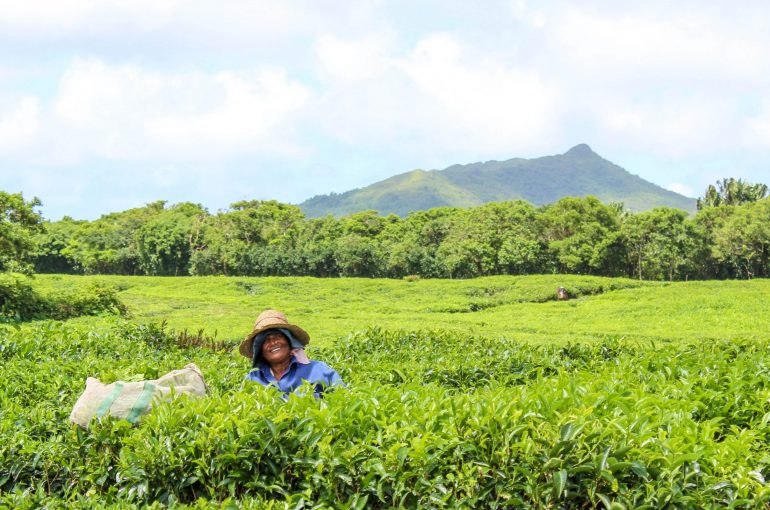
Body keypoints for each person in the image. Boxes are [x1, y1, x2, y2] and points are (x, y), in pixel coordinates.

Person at [240, 309, 343, 397]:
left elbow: (344, 399)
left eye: (278, 336)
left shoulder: (318, 370)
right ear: (260, 350)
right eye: (266, 340)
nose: (273, 342)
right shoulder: (253, 379)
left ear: (290, 342)